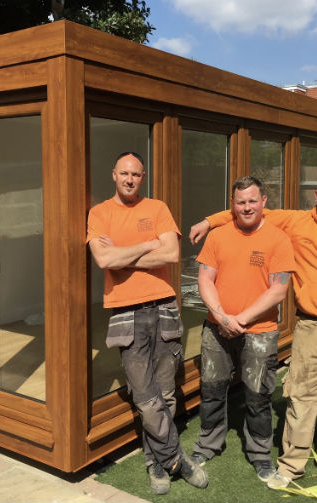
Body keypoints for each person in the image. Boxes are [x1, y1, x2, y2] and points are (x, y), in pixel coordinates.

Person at [189, 173, 317, 489]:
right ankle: (292, 465)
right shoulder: (298, 222)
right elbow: (246, 209)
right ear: (316, 196)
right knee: (300, 399)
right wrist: (208, 222)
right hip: (310, 325)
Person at [87, 151, 208, 495]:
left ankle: (156, 463)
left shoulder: (157, 208)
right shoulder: (100, 214)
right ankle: (176, 459)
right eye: (124, 173)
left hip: (165, 306)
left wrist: (124, 258)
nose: (129, 179)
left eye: (136, 174)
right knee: (144, 395)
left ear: (143, 177)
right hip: (126, 311)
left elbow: (170, 254)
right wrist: (147, 245)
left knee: (166, 393)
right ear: (114, 175)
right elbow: (103, 259)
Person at [190, 176, 295, 484]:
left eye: (252, 201)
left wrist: (240, 320)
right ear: (232, 205)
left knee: (258, 395)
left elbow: (278, 290)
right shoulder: (219, 236)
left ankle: (260, 454)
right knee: (212, 390)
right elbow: (205, 279)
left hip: (260, 331)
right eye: (240, 202)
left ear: (263, 202)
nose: (246, 207)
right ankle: (208, 444)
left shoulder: (278, 239)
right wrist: (222, 318)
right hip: (216, 329)